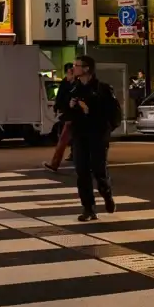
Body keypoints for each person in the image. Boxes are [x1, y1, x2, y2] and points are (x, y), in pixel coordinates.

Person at [68, 55, 118, 222]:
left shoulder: (103, 89)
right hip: (79, 134)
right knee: (82, 172)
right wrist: (71, 108)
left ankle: (107, 194)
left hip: (97, 134)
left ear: (87, 68)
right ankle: (88, 208)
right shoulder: (72, 89)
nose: (73, 68)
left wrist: (90, 111)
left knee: (98, 170)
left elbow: (114, 115)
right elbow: (62, 112)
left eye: (77, 65)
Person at [44, 63, 75, 172]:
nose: (72, 71)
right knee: (64, 139)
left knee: (67, 139)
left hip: (74, 116)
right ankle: (55, 164)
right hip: (68, 115)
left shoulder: (75, 83)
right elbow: (60, 97)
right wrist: (57, 108)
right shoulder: (66, 83)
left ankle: (55, 164)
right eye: (71, 70)